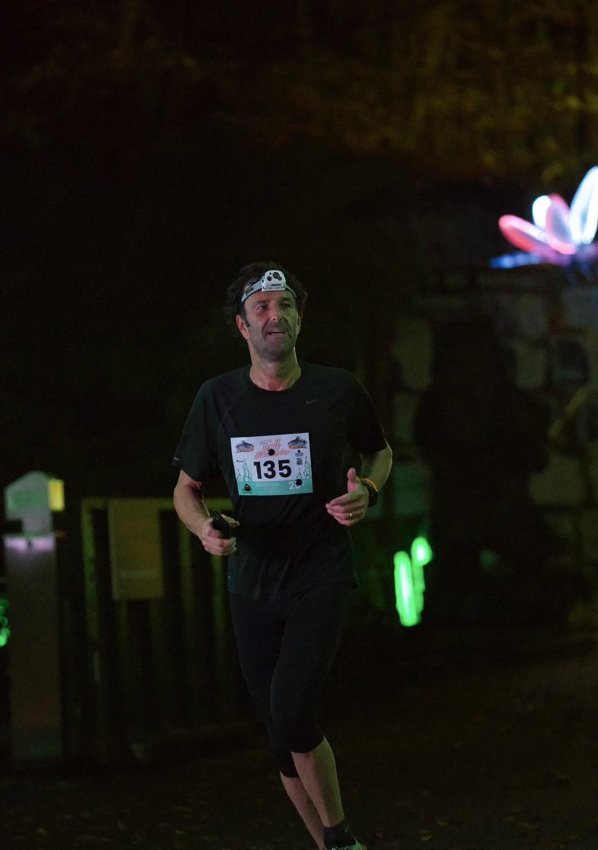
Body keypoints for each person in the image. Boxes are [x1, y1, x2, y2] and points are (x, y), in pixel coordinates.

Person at [172, 262, 392, 850]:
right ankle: (330, 848)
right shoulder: (218, 397)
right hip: (252, 579)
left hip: (320, 569)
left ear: (300, 318)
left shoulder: (337, 389)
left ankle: (341, 839)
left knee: (293, 711)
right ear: (242, 326)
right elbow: (186, 490)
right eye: (263, 307)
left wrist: (368, 491)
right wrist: (204, 529)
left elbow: (380, 453)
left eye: (286, 304)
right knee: (277, 734)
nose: (276, 315)